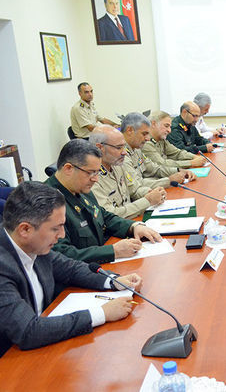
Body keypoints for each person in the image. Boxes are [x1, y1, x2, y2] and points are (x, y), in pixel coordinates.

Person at [0, 181, 142, 357]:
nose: (61, 235)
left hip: (45, 346)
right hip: (11, 360)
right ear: (25, 229)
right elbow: (28, 331)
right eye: (56, 228)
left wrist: (114, 281)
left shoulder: (34, 244)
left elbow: (70, 268)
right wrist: (102, 313)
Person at [45, 139, 161, 264]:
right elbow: (61, 254)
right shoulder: (46, 202)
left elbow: (103, 215)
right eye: (91, 173)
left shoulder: (80, 188)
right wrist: (112, 251)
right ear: (68, 169)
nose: (96, 179)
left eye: (98, 172)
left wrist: (133, 227)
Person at [90, 125, 166, 219]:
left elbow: (133, 190)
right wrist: (148, 200)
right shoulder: (90, 177)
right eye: (119, 148)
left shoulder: (117, 165)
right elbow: (110, 215)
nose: (124, 152)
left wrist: (150, 192)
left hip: (133, 220)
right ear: (100, 148)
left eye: (124, 147)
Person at [121, 112, 195, 189]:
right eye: (144, 134)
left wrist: (178, 171)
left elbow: (155, 169)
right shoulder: (121, 154)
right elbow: (137, 184)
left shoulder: (136, 149)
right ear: (130, 130)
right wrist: (169, 181)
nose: (148, 138)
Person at [142, 111, 207, 169]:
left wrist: (194, 157)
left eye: (170, 127)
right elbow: (162, 164)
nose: (169, 130)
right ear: (153, 124)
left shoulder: (160, 139)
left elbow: (177, 153)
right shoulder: (145, 143)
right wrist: (191, 163)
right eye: (166, 126)